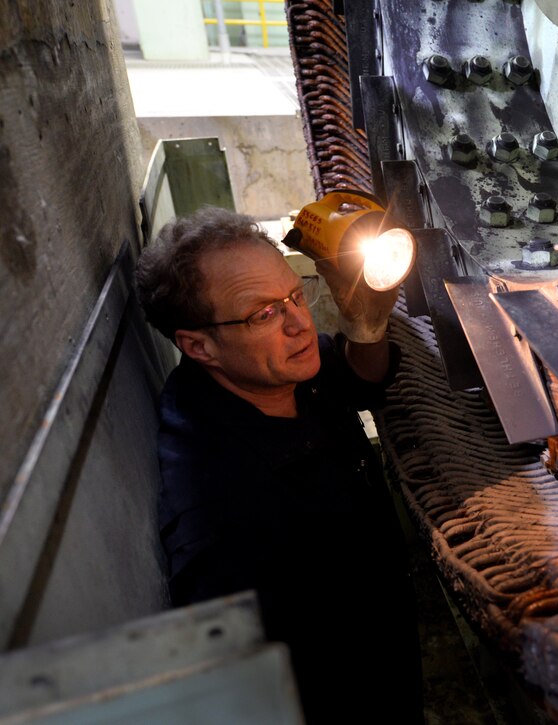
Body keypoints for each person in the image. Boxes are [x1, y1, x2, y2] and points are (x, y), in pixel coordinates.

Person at [134, 206, 421, 723]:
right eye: (263, 314)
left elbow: (358, 381)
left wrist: (367, 326)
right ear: (199, 345)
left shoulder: (264, 370)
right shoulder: (224, 516)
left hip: (383, 635)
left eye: (294, 294)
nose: (300, 323)